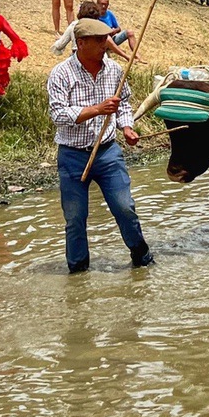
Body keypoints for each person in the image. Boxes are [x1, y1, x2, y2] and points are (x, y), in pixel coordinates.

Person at [47, 18, 153, 273]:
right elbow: (58, 115)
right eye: (98, 40)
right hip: (72, 155)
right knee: (75, 218)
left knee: (125, 208)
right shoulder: (61, 73)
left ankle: (143, 259)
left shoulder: (114, 70)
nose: (105, 44)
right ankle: (78, 271)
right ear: (80, 43)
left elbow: (123, 103)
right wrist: (96, 109)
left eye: (105, 38)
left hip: (107, 152)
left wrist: (126, 127)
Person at [52, 0, 136, 63]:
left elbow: (59, 45)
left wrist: (59, 41)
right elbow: (110, 43)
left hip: (78, 59)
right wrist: (126, 56)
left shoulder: (74, 25)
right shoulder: (100, 26)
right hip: (98, 60)